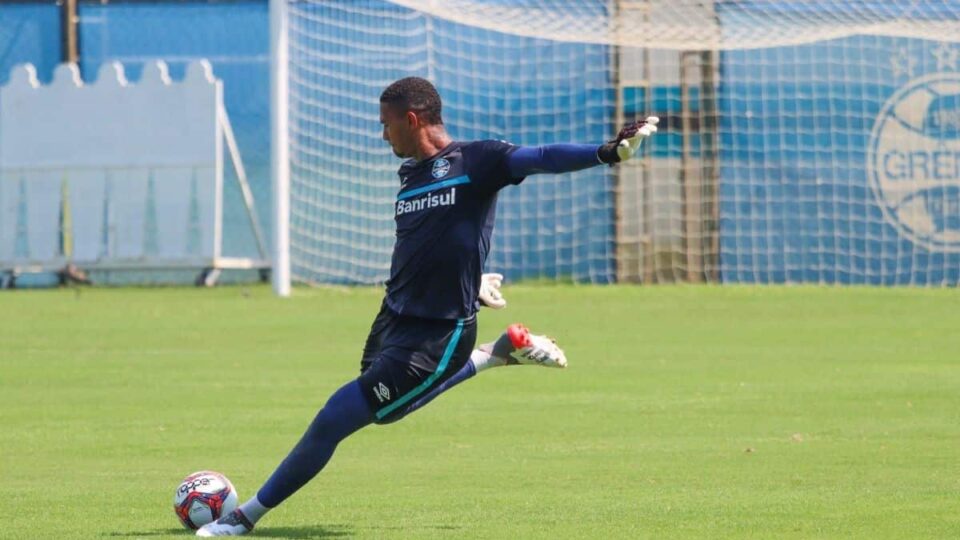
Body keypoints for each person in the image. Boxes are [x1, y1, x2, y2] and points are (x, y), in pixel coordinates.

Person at [197, 77, 657, 536]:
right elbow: (431, 244)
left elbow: (540, 157)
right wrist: (471, 280)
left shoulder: (479, 160)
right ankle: (499, 353)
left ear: (412, 119)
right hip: (393, 316)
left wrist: (605, 153)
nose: (383, 135)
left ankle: (243, 518)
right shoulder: (411, 175)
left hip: (438, 334)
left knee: (335, 416)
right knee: (385, 410)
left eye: (386, 124)